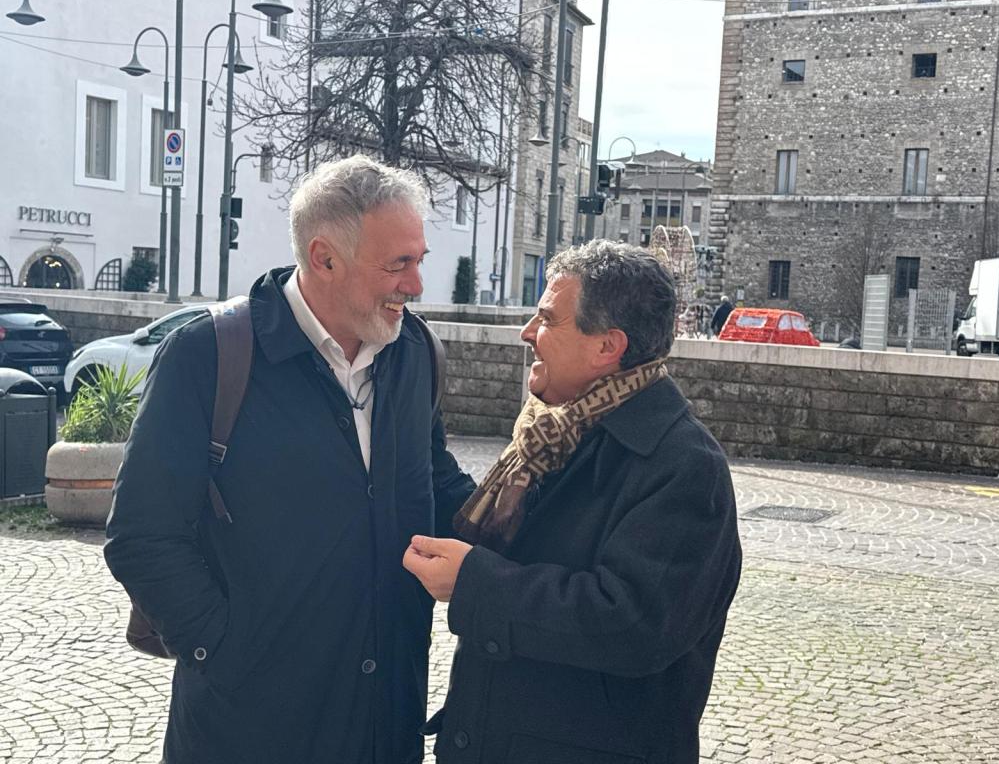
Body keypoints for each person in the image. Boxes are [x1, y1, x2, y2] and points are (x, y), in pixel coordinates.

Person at [105, 155, 475, 764]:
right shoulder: (208, 356)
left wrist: (528, 539)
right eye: (398, 264)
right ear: (324, 258)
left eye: (419, 261)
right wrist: (222, 650)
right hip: (245, 730)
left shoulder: (415, 351)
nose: (415, 285)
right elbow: (141, 535)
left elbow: (432, 482)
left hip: (386, 722)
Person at [403, 240, 742, 764]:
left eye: (547, 320)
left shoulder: (684, 465)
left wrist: (476, 584)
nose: (527, 333)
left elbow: (633, 624)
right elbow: (489, 530)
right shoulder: (556, 432)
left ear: (607, 347)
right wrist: (414, 427)